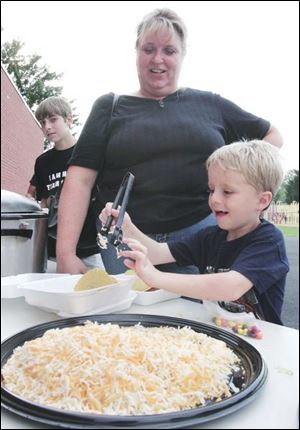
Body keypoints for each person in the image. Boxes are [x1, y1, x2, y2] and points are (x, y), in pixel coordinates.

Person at [56, 8, 283, 275]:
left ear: (182, 54)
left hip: (201, 235)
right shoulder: (110, 107)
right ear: (136, 51)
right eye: (148, 48)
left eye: (169, 51)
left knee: (202, 313)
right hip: (122, 237)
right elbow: (79, 181)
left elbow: (272, 136)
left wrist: (248, 187)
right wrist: (65, 254)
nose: (158, 58)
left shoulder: (210, 104)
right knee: (130, 315)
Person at [100, 140, 289, 325]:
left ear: (262, 201)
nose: (214, 199)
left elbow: (231, 287)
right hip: (220, 335)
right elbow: (158, 253)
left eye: (227, 192)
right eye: (211, 189)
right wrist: (126, 227)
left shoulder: (269, 241)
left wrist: (156, 277)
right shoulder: (209, 237)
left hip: (262, 340)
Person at [27, 96, 103, 270]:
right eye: (42, 122)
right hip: (54, 251)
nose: (47, 127)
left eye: (53, 119)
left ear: (69, 119)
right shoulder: (42, 162)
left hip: (92, 247)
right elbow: (42, 201)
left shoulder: (89, 153)